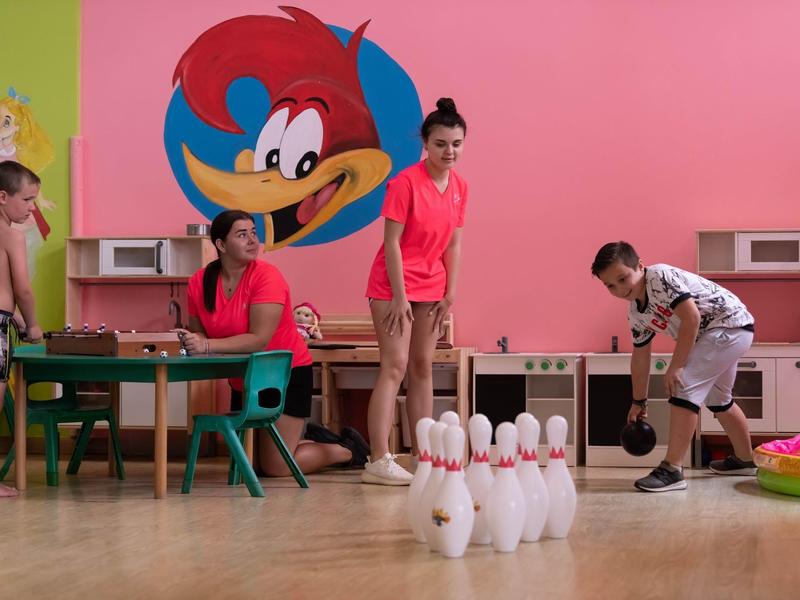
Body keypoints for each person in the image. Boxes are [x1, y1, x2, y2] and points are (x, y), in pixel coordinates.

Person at [183, 209, 368, 476]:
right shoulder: (199, 282)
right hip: (245, 378)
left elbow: (259, 340)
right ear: (221, 245)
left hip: (283, 373)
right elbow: (199, 333)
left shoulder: (267, 277)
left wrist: (207, 345)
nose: (252, 240)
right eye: (242, 234)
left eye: (254, 233)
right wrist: (193, 340)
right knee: (252, 463)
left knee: (276, 466)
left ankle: (349, 449)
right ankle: (315, 440)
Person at [592, 241, 757, 492]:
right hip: (722, 333)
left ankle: (672, 470)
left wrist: (676, 367)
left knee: (683, 385)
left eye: (623, 278)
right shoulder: (637, 314)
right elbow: (640, 357)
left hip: (728, 325)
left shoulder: (658, 276)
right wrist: (639, 401)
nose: (619, 289)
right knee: (719, 399)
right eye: (610, 285)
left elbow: (692, 318)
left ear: (640, 266)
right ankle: (745, 461)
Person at [361, 98, 468, 485]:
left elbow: (453, 245)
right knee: (395, 366)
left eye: (456, 144)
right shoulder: (404, 183)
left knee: (424, 367)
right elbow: (392, 243)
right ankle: (378, 458)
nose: (449, 151)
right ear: (426, 143)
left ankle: (425, 454)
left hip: (433, 286)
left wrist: (450, 292)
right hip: (394, 286)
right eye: (441, 144)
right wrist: (400, 295)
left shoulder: (460, 187)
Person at [0, 161, 45, 497]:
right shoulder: (12, 236)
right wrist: (31, 324)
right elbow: (23, 288)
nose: (32, 208)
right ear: (3, 197)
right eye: (27, 200)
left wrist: (11, 313)